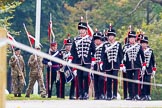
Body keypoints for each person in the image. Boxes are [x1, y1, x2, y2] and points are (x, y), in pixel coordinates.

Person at [70, 20, 96, 100]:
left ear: (85, 30)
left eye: (82, 29)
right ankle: (81, 93)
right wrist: (73, 64)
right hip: (78, 62)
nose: (81, 30)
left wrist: (92, 59)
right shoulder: (76, 39)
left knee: (85, 75)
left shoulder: (90, 39)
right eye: (80, 29)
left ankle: (85, 92)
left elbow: (93, 50)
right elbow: (73, 51)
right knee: (80, 77)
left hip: (87, 61)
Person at [101, 26, 123, 100]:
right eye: (109, 36)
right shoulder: (105, 45)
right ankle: (109, 95)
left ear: (114, 37)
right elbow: (102, 55)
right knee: (109, 80)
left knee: (115, 79)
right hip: (108, 64)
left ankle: (114, 94)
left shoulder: (118, 44)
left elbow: (121, 55)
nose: (110, 37)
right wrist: (102, 63)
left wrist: (121, 64)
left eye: (111, 36)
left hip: (116, 65)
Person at [123, 30, 146, 100]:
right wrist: (122, 65)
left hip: (137, 66)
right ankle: (131, 95)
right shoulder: (125, 47)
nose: (131, 39)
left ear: (135, 38)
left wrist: (144, 65)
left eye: (133, 38)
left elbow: (142, 56)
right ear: (129, 39)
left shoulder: (138, 46)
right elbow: (122, 56)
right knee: (129, 81)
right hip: (128, 66)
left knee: (136, 80)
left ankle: (136, 94)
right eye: (130, 38)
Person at [140, 36, 156, 100]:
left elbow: (153, 61)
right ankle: (142, 95)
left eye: (145, 43)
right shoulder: (139, 50)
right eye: (142, 43)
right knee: (142, 82)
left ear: (147, 44)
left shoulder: (150, 51)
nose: (144, 44)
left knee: (148, 82)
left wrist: (154, 70)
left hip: (148, 69)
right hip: (141, 69)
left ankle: (148, 95)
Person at [93, 31, 105, 100]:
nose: (97, 40)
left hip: (101, 64)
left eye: (98, 39)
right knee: (96, 80)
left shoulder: (103, 46)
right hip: (94, 64)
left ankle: (101, 93)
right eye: (96, 39)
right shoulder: (93, 47)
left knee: (101, 79)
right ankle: (96, 94)